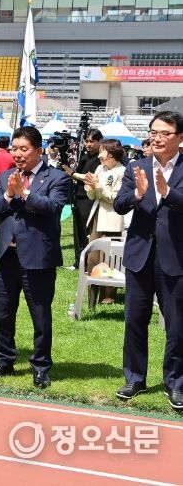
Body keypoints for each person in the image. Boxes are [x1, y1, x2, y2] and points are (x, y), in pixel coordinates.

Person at [0, 126, 70, 389]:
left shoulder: (57, 177)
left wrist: (25, 194)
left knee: (40, 315)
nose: (18, 154)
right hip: (7, 254)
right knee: (2, 313)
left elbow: (53, 207)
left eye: (24, 149)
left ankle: (41, 366)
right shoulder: (6, 176)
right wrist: (9, 194)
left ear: (38, 151)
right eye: (14, 149)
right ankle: (3, 360)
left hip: (37, 256)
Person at [113, 110, 183, 409]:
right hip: (139, 255)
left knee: (177, 326)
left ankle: (176, 383)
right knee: (135, 321)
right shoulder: (136, 167)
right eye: (154, 132)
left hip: (175, 257)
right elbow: (119, 204)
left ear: (180, 137)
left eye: (165, 133)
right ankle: (134, 378)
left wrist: (168, 193)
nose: (157, 138)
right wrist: (138, 195)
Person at [83, 139, 126, 305]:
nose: (99, 155)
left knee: (110, 258)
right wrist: (90, 186)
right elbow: (92, 196)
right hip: (97, 215)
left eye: (102, 151)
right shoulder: (100, 168)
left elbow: (116, 198)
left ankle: (108, 297)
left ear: (112, 154)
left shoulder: (122, 172)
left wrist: (98, 185)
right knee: (93, 257)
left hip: (112, 219)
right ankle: (92, 295)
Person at [63, 129, 103, 269]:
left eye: (92, 141)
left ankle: (88, 262)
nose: (88, 144)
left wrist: (72, 173)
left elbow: (89, 177)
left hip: (89, 198)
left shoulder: (100, 158)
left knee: (87, 231)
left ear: (100, 141)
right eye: (86, 141)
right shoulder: (84, 157)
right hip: (78, 196)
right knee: (77, 230)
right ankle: (78, 261)